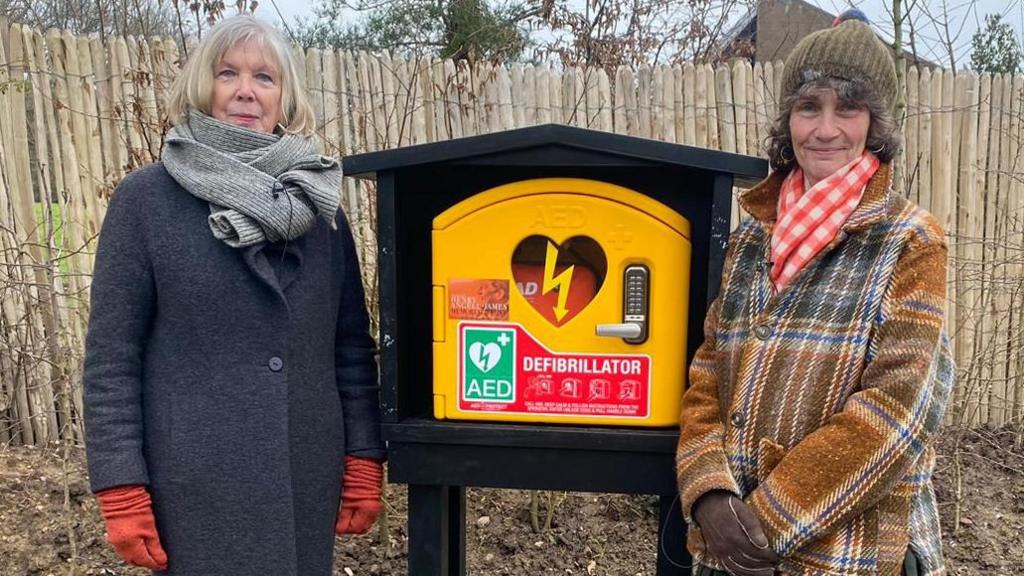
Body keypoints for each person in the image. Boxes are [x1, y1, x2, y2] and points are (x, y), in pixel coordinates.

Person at [83, 15, 385, 575]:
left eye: (264, 78)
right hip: (192, 483)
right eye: (228, 73)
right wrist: (121, 486)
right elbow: (111, 360)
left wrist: (364, 455)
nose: (246, 90)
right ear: (205, 86)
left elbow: (349, 347)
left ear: (284, 97)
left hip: (303, 472)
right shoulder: (146, 202)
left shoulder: (320, 212)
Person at [676, 10, 954, 576]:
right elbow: (708, 372)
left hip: (844, 551)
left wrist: (763, 522)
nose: (826, 129)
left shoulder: (909, 240)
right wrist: (707, 494)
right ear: (789, 122)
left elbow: (897, 412)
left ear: (874, 125)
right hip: (732, 543)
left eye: (846, 108)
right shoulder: (756, 234)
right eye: (809, 107)